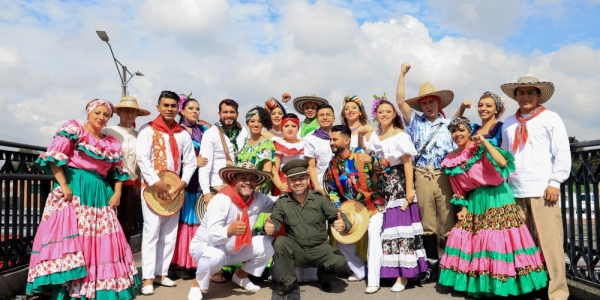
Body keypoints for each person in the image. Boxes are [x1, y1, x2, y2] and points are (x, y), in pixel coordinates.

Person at [26, 99, 139, 299]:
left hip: (100, 193)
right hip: (76, 188)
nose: (101, 117)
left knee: (99, 240)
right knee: (75, 239)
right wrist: (64, 185)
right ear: (88, 113)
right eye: (98, 113)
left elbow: (118, 172)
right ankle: (68, 289)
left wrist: (117, 193)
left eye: (105, 114)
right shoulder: (75, 130)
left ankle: (93, 288)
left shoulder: (110, 143)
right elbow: (54, 157)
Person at [439, 117, 547, 297]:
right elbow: (458, 189)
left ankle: (506, 286)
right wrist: (463, 208)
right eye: (453, 131)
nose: (457, 134)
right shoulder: (451, 160)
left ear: (469, 131)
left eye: (461, 130)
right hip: (476, 200)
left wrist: (485, 143)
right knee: (477, 242)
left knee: (498, 240)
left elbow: (503, 163)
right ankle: (485, 285)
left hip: (498, 196)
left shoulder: (480, 147)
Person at [500, 75, 571, 300]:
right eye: (521, 93)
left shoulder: (551, 118)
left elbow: (562, 151)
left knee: (551, 245)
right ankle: (528, 287)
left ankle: (558, 291)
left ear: (538, 95)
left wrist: (555, 182)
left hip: (542, 189)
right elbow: (505, 156)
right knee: (521, 245)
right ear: (515, 96)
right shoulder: (510, 123)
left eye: (531, 92)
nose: (526, 97)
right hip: (515, 189)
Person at [395, 63, 455, 281]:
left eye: (432, 101)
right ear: (421, 105)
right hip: (421, 173)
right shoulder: (415, 122)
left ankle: (451, 266)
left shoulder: (450, 124)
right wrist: (401, 74)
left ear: (438, 103)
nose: (429, 105)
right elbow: (400, 102)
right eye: (425, 102)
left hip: (444, 175)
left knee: (448, 222)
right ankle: (432, 265)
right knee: (427, 223)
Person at [363, 97, 427, 293]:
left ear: (394, 115)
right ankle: (388, 272)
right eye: (380, 112)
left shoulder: (400, 135)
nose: (384, 115)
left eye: (388, 112)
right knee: (385, 231)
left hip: (397, 183)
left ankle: (403, 275)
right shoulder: (372, 136)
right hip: (379, 186)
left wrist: (409, 188)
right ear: (376, 114)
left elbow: (407, 163)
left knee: (400, 227)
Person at [137, 90, 197, 295]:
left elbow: (190, 161)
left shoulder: (182, 134)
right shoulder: (148, 130)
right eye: (166, 105)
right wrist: (156, 182)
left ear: (177, 108)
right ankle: (147, 277)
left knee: (170, 233)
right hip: (152, 189)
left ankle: (161, 274)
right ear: (158, 107)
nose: (170, 109)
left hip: (175, 190)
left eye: (173, 106)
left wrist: (182, 183)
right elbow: (142, 159)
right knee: (151, 232)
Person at [187, 162, 276, 300]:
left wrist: (276, 214)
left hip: (234, 251)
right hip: (207, 248)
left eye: (252, 179)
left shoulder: (258, 198)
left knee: (269, 243)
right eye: (243, 178)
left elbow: (279, 203)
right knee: (215, 255)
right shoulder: (221, 200)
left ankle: (240, 276)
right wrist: (229, 230)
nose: (248, 182)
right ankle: (197, 284)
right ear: (234, 179)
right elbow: (211, 237)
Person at [265, 159, 351, 300]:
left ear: (307, 178)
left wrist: (344, 225)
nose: (298, 182)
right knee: (280, 241)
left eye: (301, 178)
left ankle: (324, 278)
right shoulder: (282, 202)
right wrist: (269, 227)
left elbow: (338, 216)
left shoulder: (319, 199)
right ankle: (290, 284)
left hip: (320, 249)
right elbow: (274, 221)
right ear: (287, 182)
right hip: (297, 250)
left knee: (339, 262)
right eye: (293, 180)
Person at [325, 125, 389, 294]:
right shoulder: (333, 164)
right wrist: (339, 210)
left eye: (334, 139)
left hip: (374, 207)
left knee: (373, 235)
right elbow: (332, 190)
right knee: (340, 236)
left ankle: (374, 280)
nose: (331, 142)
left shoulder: (362, 154)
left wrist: (373, 160)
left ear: (347, 140)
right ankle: (360, 270)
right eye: (330, 139)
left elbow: (386, 166)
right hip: (352, 211)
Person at [170, 94, 211, 274]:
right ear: (182, 111)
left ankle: (196, 261)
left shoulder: (203, 130)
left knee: (199, 220)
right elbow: (175, 157)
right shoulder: (178, 131)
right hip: (186, 181)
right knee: (184, 220)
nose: (195, 111)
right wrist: (195, 161)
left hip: (201, 181)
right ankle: (181, 262)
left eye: (197, 108)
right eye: (191, 108)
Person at [102, 95, 151, 242]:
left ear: (137, 114)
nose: (129, 115)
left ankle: (124, 260)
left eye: (132, 112)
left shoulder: (141, 136)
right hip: (109, 184)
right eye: (125, 111)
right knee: (107, 224)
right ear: (119, 112)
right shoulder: (107, 131)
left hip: (131, 185)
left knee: (126, 225)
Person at [199, 99, 248, 205]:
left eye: (232, 112)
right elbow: (205, 165)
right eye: (225, 112)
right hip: (218, 186)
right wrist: (206, 191)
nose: (228, 115)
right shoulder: (211, 133)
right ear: (219, 114)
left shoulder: (243, 132)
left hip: (239, 187)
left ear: (237, 114)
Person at [271, 113, 305, 196]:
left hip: (303, 183)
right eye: (286, 126)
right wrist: (280, 185)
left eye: (293, 126)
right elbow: (274, 170)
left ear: (298, 128)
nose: (290, 129)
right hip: (285, 184)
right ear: (281, 128)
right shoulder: (278, 143)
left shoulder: (305, 144)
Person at [304, 104, 335, 192]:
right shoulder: (311, 138)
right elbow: (311, 166)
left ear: (334, 118)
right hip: (321, 185)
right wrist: (317, 187)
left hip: (341, 183)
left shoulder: (341, 134)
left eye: (328, 115)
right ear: (317, 120)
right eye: (321, 115)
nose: (325, 118)